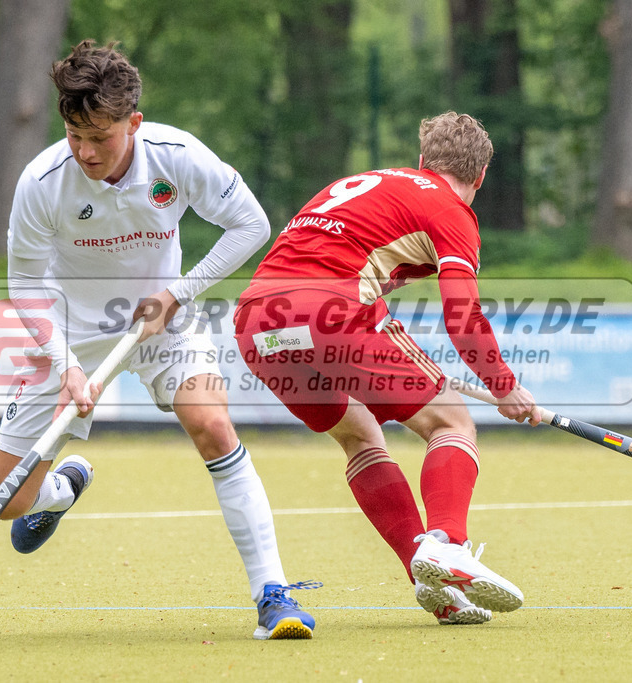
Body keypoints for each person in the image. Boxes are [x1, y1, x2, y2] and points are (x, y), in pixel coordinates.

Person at [0, 39, 316, 640]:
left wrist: (177, 294)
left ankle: (274, 594)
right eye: (74, 135)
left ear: (133, 123)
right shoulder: (42, 182)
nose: (86, 152)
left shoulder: (177, 157)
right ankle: (62, 490)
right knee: (10, 500)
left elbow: (251, 224)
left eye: (101, 137)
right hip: (68, 330)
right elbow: (25, 284)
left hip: (164, 317)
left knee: (213, 425)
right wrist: (65, 365)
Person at [233, 112, 544, 625]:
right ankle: (447, 545)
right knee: (451, 422)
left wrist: (376, 319)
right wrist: (504, 386)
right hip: (330, 314)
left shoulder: (370, 184)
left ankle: (430, 582)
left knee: (359, 436)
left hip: (257, 326)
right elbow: (463, 316)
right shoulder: (451, 211)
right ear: (482, 176)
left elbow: (329, 260)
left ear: (422, 160)